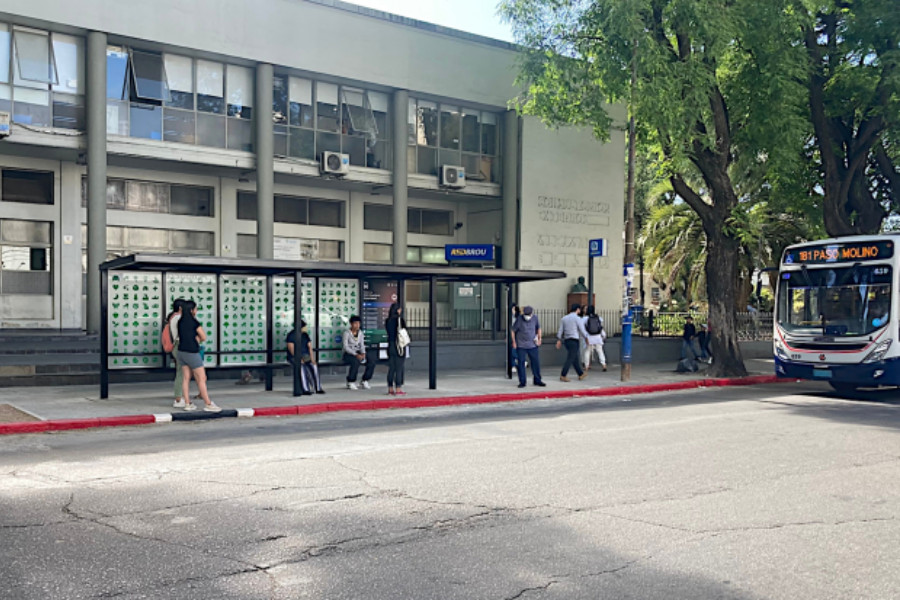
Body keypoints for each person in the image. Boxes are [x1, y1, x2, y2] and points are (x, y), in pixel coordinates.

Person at [176, 300, 220, 412]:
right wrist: (197, 339)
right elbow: (203, 337)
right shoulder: (194, 322)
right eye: (196, 309)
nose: (196, 311)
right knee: (201, 378)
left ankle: (187, 403)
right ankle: (208, 403)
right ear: (191, 310)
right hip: (192, 352)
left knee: (186, 378)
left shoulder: (180, 322)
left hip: (181, 352)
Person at [511, 305, 544, 388]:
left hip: (533, 345)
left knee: (535, 363)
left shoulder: (535, 318)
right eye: (526, 315)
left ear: (531, 313)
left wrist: (539, 338)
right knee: (521, 363)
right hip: (521, 345)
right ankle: (522, 381)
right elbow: (513, 330)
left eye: (528, 315)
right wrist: (514, 342)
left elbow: (538, 328)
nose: (527, 317)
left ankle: (537, 380)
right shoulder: (519, 319)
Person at [287, 320, 324, 394]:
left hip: (305, 356)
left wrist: (313, 360)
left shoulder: (305, 335)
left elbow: (310, 347)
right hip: (294, 357)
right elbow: (291, 348)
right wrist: (298, 359)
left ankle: (318, 388)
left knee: (314, 366)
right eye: (304, 327)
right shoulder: (291, 335)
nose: (305, 328)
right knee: (302, 367)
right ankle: (305, 389)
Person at [556, 303, 589, 381]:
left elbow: (560, 330)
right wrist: (586, 337)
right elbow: (582, 329)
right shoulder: (577, 318)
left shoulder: (564, 318)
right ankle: (563, 374)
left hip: (567, 340)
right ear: (577, 309)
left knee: (574, 357)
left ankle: (580, 373)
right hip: (574, 339)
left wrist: (559, 339)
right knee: (571, 358)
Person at [343, 315, 375, 390]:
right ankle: (351, 381)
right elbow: (346, 347)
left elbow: (362, 345)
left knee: (371, 362)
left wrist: (363, 353)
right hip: (349, 354)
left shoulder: (360, 333)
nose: (357, 325)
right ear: (351, 324)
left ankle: (365, 380)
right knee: (355, 362)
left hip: (359, 352)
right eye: (355, 323)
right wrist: (356, 354)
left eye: (358, 323)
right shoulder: (347, 333)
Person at [166, 298, 187, 408]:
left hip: (176, 345)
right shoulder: (179, 318)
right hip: (180, 345)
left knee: (181, 371)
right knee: (181, 372)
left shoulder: (172, 317)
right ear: (180, 308)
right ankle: (179, 398)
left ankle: (182, 397)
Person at [385, 302, 407, 395]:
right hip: (399, 345)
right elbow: (404, 332)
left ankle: (390, 388)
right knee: (399, 367)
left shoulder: (387, 320)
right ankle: (398, 388)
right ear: (398, 310)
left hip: (390, 345)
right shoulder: (400, 320)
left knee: (391, 368)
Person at [582, 305, 607, 372]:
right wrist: (603, 336)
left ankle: (586, 366)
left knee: (587, 352)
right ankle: (604, 365)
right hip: (598, 337)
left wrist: (585, 336)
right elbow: (600, 327)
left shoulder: (585, 319)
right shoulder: (598, 318)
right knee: (600, 351)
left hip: (589, 337)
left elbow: (583, 328)